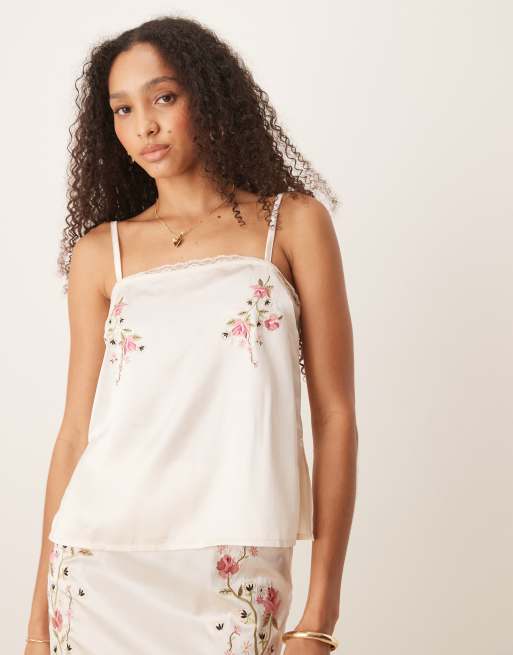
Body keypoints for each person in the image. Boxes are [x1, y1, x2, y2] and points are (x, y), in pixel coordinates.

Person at [24, 15, 357, 655]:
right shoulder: (101, 253)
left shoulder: (291, 223)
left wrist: (320, 614)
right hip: (98, 565)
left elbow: (335, 415)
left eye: (164, 98)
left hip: (236, 560)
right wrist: (37, 629)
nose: (144, 126)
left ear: (208, 96)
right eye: (123, 109)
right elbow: (74, 435)